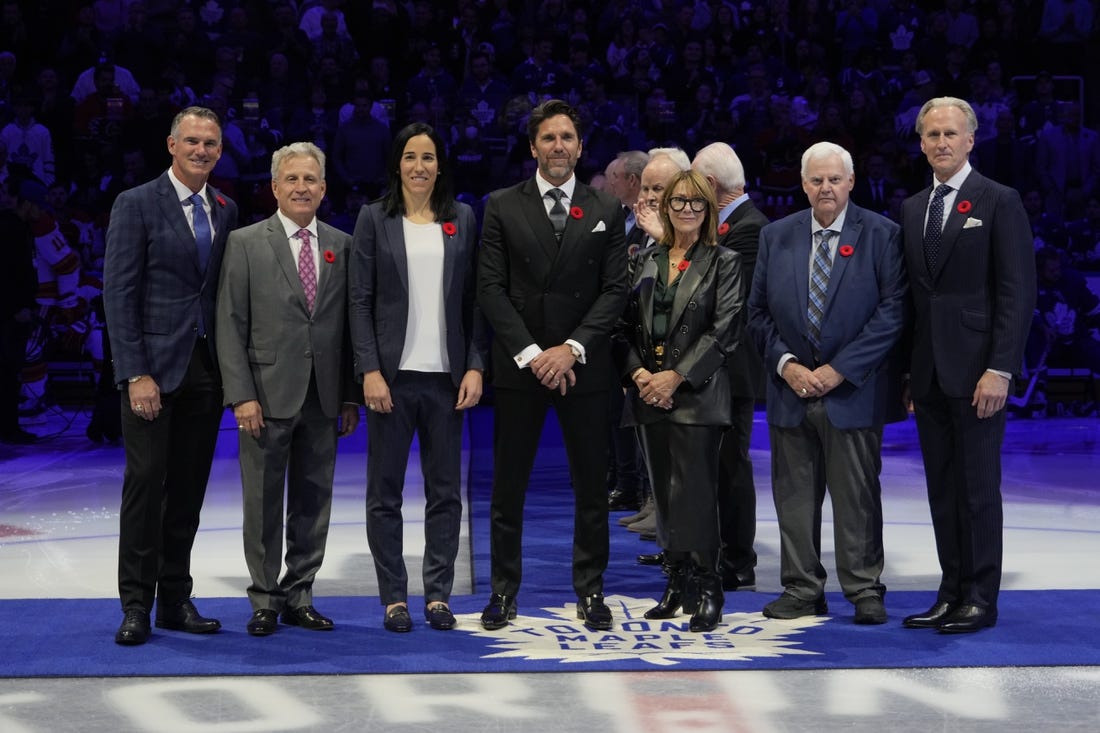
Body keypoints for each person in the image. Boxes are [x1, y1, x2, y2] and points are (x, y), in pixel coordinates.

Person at [476, 98, 627, 631]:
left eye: (566, 137)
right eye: (548, 138)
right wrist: (536, 354)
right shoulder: (500, 205)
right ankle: (501, 592)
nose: (558, 146)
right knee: (508, 487)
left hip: (583, 368)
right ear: (533, 146)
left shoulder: (607, 209)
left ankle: (591, 592)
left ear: (580, 146)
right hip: (522, 368)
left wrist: (572, 348)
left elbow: (615, 290)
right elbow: (490, 289)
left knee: (591, 486)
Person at [747, 141, 907, 626]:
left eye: (834, 179)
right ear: (803, 184)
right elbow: (756, 314)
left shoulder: (882, 235)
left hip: (852, 390)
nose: (825, 188)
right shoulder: (777, 237)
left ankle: (863, 589)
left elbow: (892, 312)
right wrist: (788, 365)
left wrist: (839, 369)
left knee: (857, 496)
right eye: (816, 180)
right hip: (789, 389)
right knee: (793, 496)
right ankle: (801, 587)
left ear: (851, 182)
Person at [103, 106, 239, 645]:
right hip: (151, 375)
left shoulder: (225, 208)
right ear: (171, 145)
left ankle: (175, 599)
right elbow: (118, 294)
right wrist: (134, 372)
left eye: (210, 143)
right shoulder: (136, 203)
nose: (201, 150)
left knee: (187, 493)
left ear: (220, 151)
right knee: (145, 487)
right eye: (191, 141)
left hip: (206, 372)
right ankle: (135, 604)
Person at [901, 97, 1035, 633]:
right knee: (942, 488)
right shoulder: (912, 208)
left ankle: (981, 596)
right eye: (931, 134)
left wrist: (1000, 368)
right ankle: (950, 589)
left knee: (978, 489)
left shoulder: (999, 200)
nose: (940, 142)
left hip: (980, 372)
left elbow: (1017, 292)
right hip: (930, 373)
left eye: (950, 134)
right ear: (921, 143)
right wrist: (910, 374)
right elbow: (915, 299)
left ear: (971, 139)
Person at [215, 142, 359, 637]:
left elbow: (349, 327)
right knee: (262, 503)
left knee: (314, 501)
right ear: (274, 187)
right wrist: (241, 395)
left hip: (323, 398)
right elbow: (229, 324)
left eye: (310, 179)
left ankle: (300, 593)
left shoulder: (343, 242)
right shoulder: (245, 243)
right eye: (291, 179)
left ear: (323, 187)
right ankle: (264, 600)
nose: (301, 187)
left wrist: (349, 395)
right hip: (264, 396)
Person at [349, 123, 488, 633]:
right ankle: (393, 597)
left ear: (440, 165)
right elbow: (359, 300)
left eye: (429, 157)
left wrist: (475, 364)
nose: (420, 167)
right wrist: (368, 370)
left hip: (446, 383)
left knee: (445, 493)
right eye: (411, 157)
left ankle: (437, 595)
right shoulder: (373, 218)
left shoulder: (463, 219)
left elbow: (476, 302)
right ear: (397, 164)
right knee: (384, 494)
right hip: (391, 380)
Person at [616, 169, 742, 632]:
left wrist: (676, 377)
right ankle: (676, 583)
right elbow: (621, 327)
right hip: (649, 393)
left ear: (708, 210)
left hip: (697, 396)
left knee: (694, 496)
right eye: (678, 202)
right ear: (665, 207)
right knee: (664, 498)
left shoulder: (722, 261)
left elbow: (725, 330)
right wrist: (639, 374)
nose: (687, 210)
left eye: (696, 203)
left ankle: (709, 588)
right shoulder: (644, 259)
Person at [691, 142, 769, 592]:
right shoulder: (727, 223)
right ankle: (713, 552)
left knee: (731, 467)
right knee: (711, 467)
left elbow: (721, 297)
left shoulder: (750, 228)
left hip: (732, 371)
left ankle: (739, 561)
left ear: (712, 185)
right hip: (710, 369)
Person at [0, 177, 37, 445]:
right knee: (7, 371)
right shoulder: (9, 228)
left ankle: (9, 426)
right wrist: (18, 308)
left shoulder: (18, 226)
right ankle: (8, 428)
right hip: (9, 314)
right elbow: (8, 274)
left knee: (10, 372)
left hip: (13, 311)